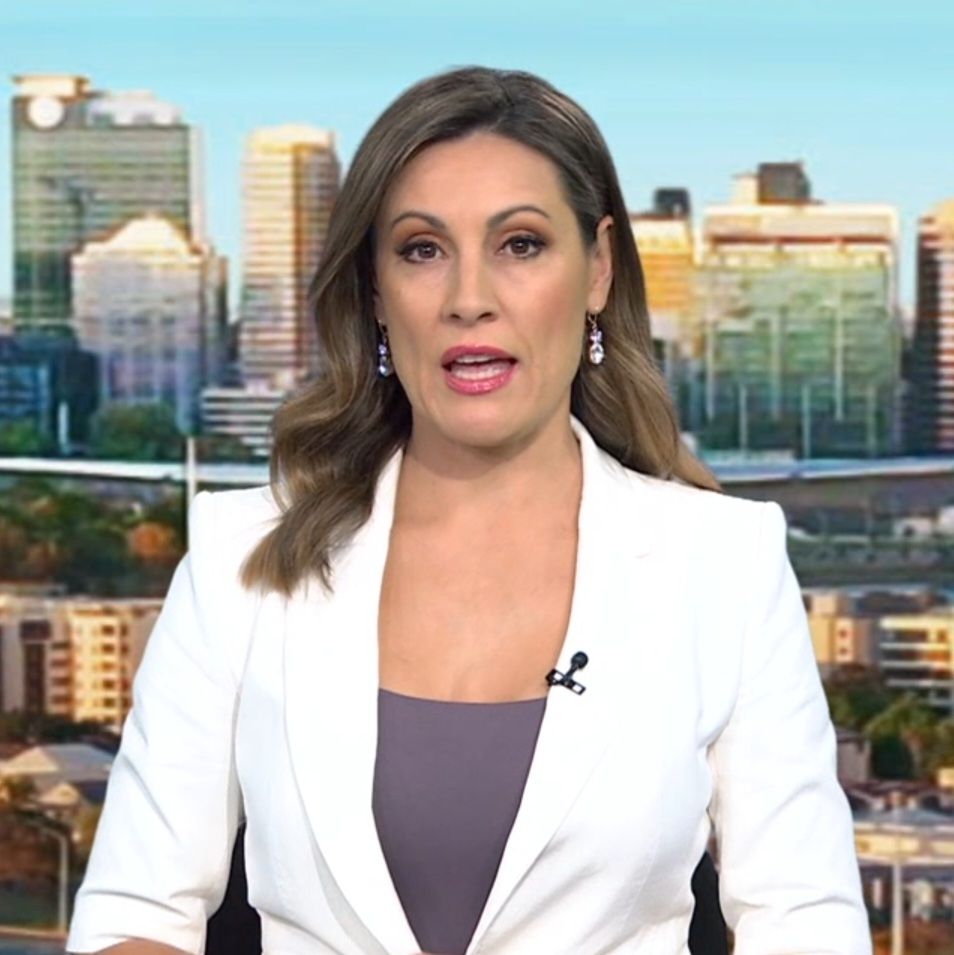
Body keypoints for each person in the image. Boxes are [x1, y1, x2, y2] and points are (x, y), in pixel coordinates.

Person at [66, 66, 871, 955]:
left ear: (599, 269)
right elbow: (134, 919)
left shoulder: (725, 564)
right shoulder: (239, 560)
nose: (468, 298)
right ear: (376, 293)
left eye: (521, 244)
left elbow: (806, 925)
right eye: (422, 250)